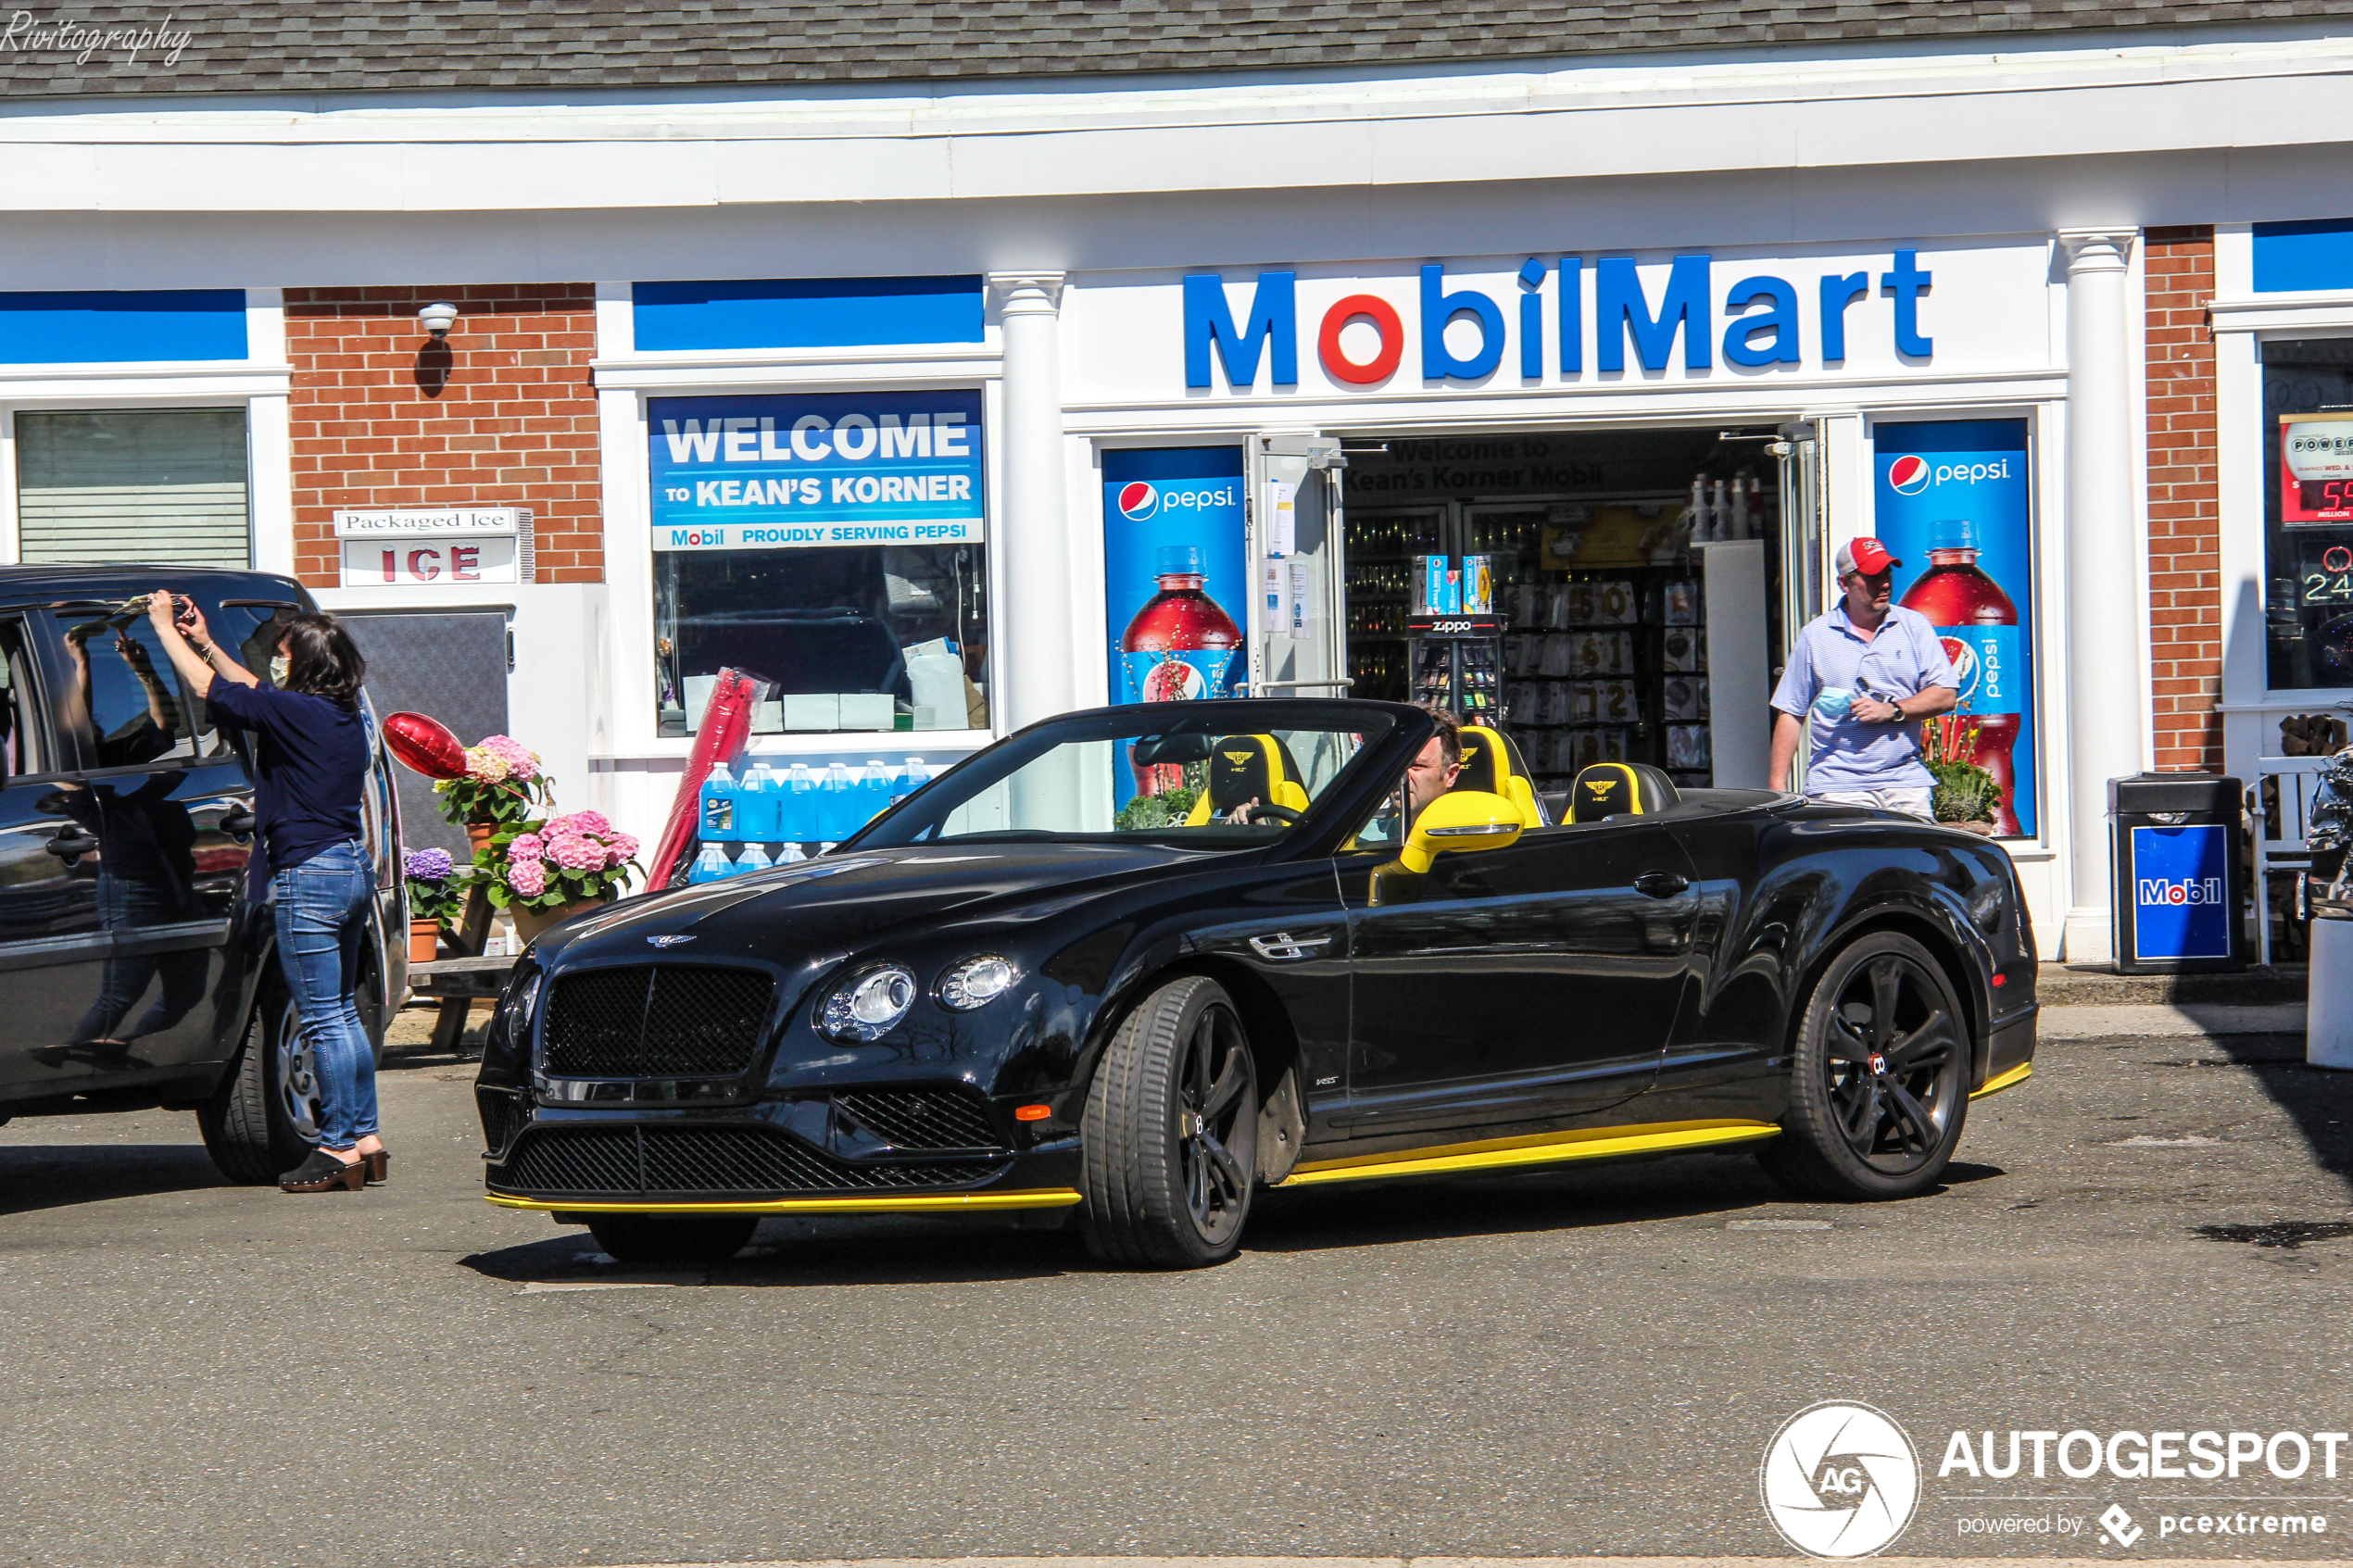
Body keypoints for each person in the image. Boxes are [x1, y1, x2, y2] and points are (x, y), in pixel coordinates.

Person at [145, 590, 383, 1195]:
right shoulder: (341, 710)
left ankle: (334, 1147)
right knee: (343, 1012)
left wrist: (162, 631)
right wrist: (205, 641)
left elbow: (211, 692)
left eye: (283, 655)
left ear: (301, 664)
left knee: (323, 1016)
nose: (276, 663)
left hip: (310, 874)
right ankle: (366, 1139)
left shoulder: (296, 713)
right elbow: (251, 688)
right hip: (351, 869)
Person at [1768, 536, 1959, 822]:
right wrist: (1777, 789)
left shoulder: (1914, 626)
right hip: (1837, 786)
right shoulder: (1816, 636)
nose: (1884, 583)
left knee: (1916, 865)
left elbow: (1946, 694)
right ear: (1844, 583)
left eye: (1887, 574)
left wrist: (1893, 709)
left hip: (1905, 782)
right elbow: (1792, 712)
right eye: (1872, 576)